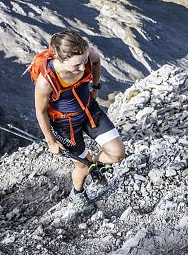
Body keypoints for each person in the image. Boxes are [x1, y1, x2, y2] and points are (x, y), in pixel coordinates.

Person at [34, 30, 125, 214]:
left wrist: (96, 89)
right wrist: (51, 142)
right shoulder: (47, 81)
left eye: (84, 62)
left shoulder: (88, 54)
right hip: (65, 125)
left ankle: (94, 165)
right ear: (60, 59)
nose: (83, 68)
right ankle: (78, 192)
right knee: (82, 166)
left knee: (117, 154)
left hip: (90, 111)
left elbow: (96, 61)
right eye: (76, 65)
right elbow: (40, 111)